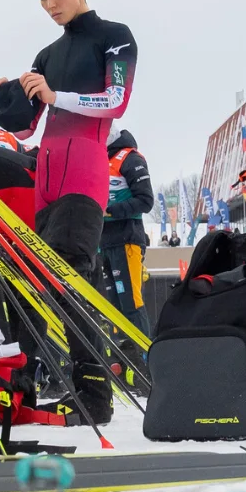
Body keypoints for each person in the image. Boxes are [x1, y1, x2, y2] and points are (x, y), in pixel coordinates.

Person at [0, 0, 138, 425]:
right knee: (42, 282)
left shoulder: (114, 36)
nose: (49, 5)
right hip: (46, 181)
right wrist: (4, 94)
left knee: (61, 280)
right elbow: (26, 127)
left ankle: (84, 393)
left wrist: (57, 96)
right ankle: (29, 389)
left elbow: (116, 100)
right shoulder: (47, 55)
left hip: (83, 176)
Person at [100, 124, 155, 390]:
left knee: (131, 304)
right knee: (113, 307)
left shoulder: (130, 158)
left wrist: (111, 211)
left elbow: (146, 200)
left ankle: (146, 365)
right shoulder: (99, 159)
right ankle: (123, 364)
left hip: (127, 239)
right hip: (104, 242)